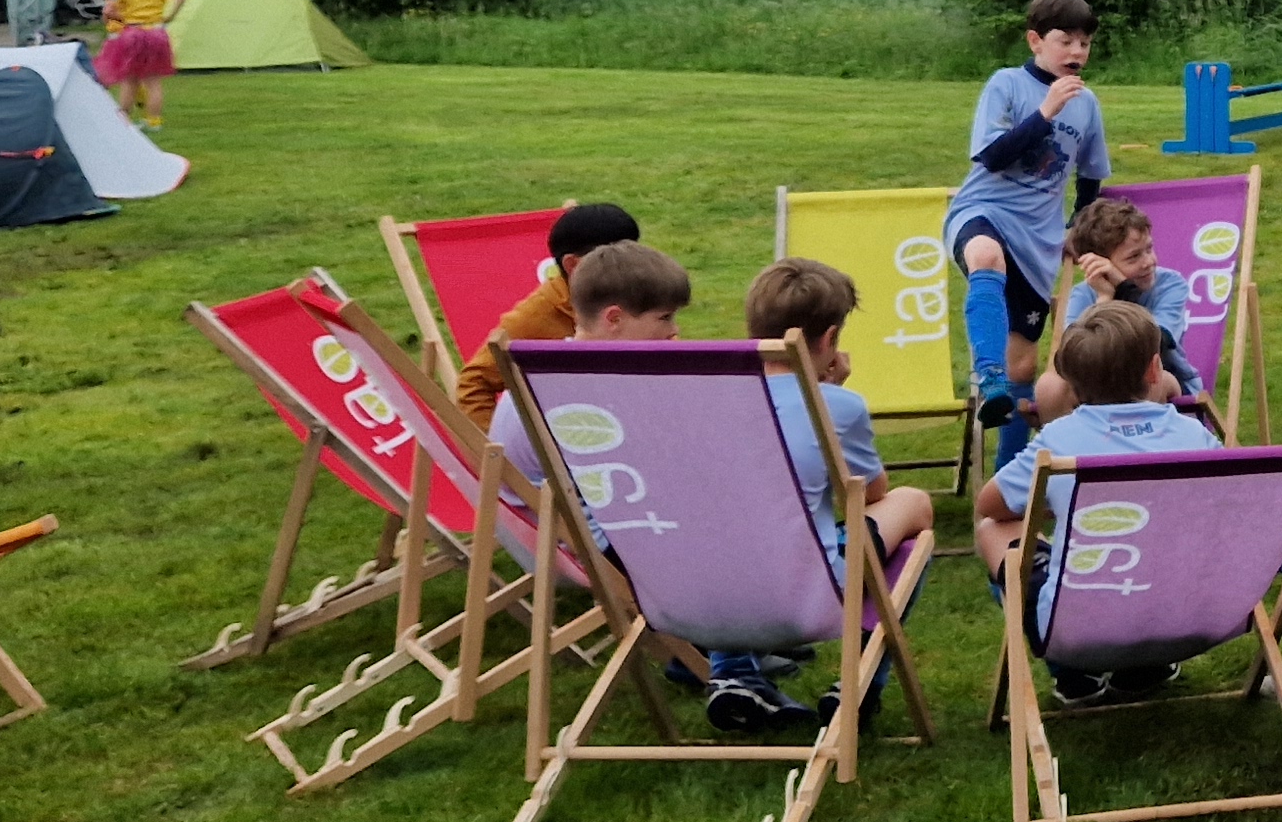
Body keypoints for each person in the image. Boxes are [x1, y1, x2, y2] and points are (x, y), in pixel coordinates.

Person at [696, 256, 940, 738]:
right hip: (803, 595)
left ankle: (734, 673)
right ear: (829, 339)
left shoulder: (702, 400)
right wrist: (829, 392)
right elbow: (867, 494)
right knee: (914, 507)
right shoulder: (838, 406)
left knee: (736, 529)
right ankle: (859, 680)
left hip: (702, 598)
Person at [976, 300, 1218, 700]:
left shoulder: (1059, 442)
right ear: (1155, 370)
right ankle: (1146, 667)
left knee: (992, 529)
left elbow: (990, 506)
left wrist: (1055, 501)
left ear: (1072, 385)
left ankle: (1072, 674)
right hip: (1189, 620)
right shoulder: (1195, 437)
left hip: (1077, 634)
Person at [944, 0, 1110, 470]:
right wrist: (1045, 113)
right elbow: (992, 156)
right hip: (983, 210)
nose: (1077, 52)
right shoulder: (1007, 84)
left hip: (1039, 241)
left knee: (1024, 367)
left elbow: (1091, 177)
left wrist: (1078, 225)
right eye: (1065, 41)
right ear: (1036, 41)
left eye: (1085, 43)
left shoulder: (1087, 104)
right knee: (985, 256)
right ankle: (988, 374)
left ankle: (1009, 478)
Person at [490, 239, 694, 486]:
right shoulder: (585, 392)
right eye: (665, 317)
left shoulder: (549, 372)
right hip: (562, 511)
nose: (674, 330)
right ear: (614, 319)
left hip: (524, 509)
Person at [458, 202, 645, 449]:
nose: (637, 268)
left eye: (637, 254)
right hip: (574, 444)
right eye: (617, 260)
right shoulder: (535, 317)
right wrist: (505, 456)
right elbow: (473, 384)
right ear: (573, 265)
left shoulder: (644, 297)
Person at [1038, 194, 1216, 425]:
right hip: (1097, 386)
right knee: (1049, 386)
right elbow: (1072, 357)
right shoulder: (1083, 295)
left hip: (1159, 376)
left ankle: (1135, 447)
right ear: (1098, 265)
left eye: (1149, 249)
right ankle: (1067, 446)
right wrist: (1105, 297)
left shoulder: (1170, 285)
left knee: (1149, 382)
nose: (1148, 261)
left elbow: (1152, 346)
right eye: (1134, 257)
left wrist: (1124, 290)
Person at [99, 0, 178, 126]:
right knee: (153, 81)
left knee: (129, 79)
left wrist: (122, 18)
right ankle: (154, 121)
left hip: (132, 33)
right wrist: (170, 16)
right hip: (156, 33)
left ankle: (124, 119)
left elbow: (107, 11)